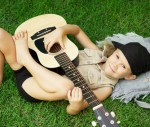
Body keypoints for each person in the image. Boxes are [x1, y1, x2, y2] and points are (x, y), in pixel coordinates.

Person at [0, 25, 150, 115]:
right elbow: (77, 30)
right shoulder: (96, 51)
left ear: (130, 77)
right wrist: (60, 31)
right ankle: (13, 65)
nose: (116, 64)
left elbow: (77, 108)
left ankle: (24, 58)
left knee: (67, 87)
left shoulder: (106, 88)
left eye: (123, 66)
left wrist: (75, 105)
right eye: (117, 57)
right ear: (115, 51)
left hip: (34, 83)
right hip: (41, 59)